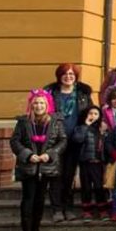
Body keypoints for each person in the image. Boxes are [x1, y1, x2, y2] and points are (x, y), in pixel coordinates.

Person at [11, 89, 66, 231]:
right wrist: (28, 155)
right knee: (28, 198)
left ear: (47, 105)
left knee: (40, 199)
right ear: (31, 105)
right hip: (29, 166)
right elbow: (15, 141)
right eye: (36, 103)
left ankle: (36, 228)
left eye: (42, 103)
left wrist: (51, 154)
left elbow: (62, 141)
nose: (39, 106)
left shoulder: (55, 122)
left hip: (46, 166)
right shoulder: (23, 122)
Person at [45, 63, 93, 222]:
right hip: (55, 140)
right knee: (56, 175)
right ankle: (57, 209)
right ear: (59, 76)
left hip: (75, 140)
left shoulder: (83, 94)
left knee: (69, 175)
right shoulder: (51, 93)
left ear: (76, 77)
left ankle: (68, 207)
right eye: (65, 74)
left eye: (71, 74)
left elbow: (91, 112)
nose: (68, 77)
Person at [72, 106, 109, 222]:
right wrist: (86, 125)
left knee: (99, 187)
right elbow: (77, 139)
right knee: (86, 187)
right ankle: (87, 211)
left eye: (96, 114)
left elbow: (106, 145)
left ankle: (102, 210)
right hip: (86, 162)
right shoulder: (81, 127)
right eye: (90, 113)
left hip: (98, 163)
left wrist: (103, 132)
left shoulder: (102, 128)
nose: (93, 116)